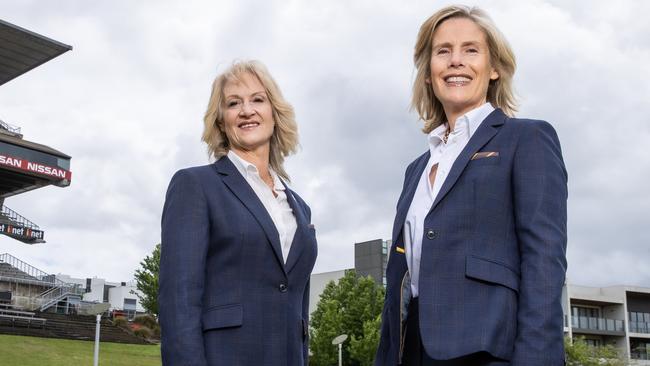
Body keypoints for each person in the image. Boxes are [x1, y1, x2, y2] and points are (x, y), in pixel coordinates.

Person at [375, 5, 567, 366]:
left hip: (489, 350)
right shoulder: (415, 170)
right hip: (412, 349)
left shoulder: (526, 139)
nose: (455, 61)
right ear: (429, 73)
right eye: (443, 51)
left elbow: (544, 260)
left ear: (493, 68)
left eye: (471, 50)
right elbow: (401, 279)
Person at [159, 60, 317, 365]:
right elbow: (179, 303)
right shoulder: (195, 186)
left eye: (258, 99)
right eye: (234, 103)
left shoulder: (300, 207)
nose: (247, 110)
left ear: (274, 112)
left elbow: (297, 306)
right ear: (221, 121)